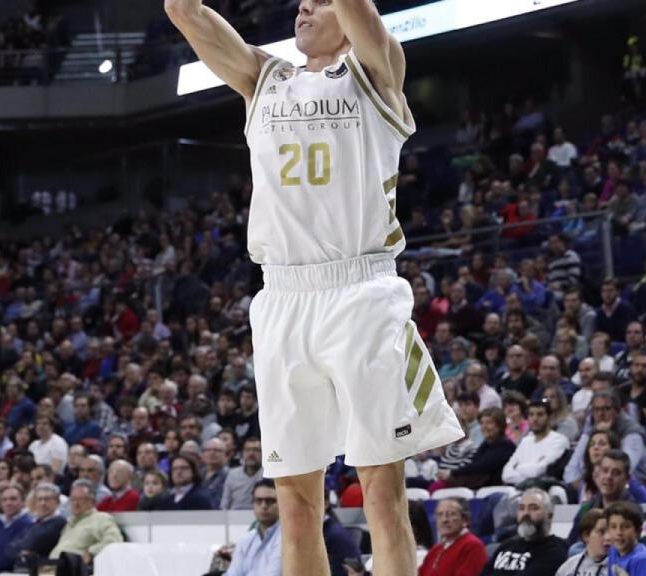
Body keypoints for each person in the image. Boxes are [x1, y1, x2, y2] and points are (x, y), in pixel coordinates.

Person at [162, 2, 464, 575]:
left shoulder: (376, 70)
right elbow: (184, 11)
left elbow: (361, 17)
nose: (304, 6)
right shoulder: (263, 77)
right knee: (296, 504)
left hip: (360, 291)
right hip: (282, 297)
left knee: (382, 492)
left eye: (319, 1)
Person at [480, 488, 568, 575]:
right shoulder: (506, 546)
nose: (526, 513)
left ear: (549, 516)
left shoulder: (555, 550)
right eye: (521, 508)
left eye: (534, 508)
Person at [215, 479, 282, 576]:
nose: (264, 506)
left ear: (281, 503)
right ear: (253, 504)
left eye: (270, 501)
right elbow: (233, 574)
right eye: (259, 501)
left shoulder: (286, 538)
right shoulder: (246, 539)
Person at [50, 479, 124, 563]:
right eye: (73, 499)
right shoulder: (70, 522)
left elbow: (114, 540)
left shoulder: (101, 518)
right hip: (52, 567)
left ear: (92, 501)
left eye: (80, 499)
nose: (75, 503)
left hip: (74, 569)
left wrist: (91, 552)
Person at [501, 398, 569, 485]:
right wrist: (529, 472)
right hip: (518, 489)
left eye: (540, 415)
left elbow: (538, 471)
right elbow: (506, 474)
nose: (535, 419)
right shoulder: (526, 441)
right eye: (531, 415)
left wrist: (517, 467)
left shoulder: (559, 440)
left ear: (549, 417)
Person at [418, 497, 486, 576]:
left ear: (465, 520)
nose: (444, 520)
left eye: (451, 514)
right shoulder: (435, 549)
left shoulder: (473, 546)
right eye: (440, 515)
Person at [0, 484, 34, 571]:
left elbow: (12, 554)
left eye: (13, 499)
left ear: (23, 502)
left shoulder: (28, 524)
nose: (8, 503)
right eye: (4, 500)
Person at [604, 501, 646, 575]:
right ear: (608, 530)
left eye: (626, 527)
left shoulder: (643, 559)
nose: (619, 532)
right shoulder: (613, 550)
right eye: (613, 527)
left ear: (638, 531)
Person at [14, 482, 68, 565]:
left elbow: (37, 542)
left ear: (57, 502)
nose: (43, 503)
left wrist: (23, 548)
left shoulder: (60, 523)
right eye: (40, 499)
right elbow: (11, 547)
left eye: (47, 499)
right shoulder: (34, 522)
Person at [554, 509, 609, 576]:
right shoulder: (569, 566)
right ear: (586, 535)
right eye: (601, 532)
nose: (607, 537)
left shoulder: (617, 567)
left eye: (609, 532)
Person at [221, 438, 264, 510]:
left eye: (256, 450)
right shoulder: (233, 474)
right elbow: (224, 503)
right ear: (242, 453)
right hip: (234, 516)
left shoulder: (268, 474)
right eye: (247, 450)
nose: (251, 453)